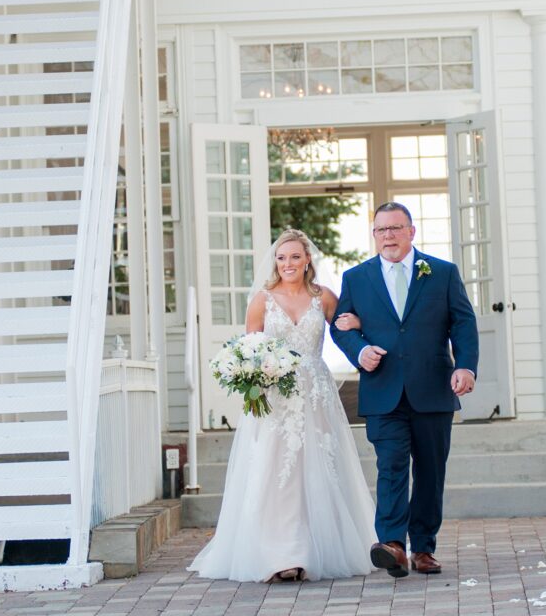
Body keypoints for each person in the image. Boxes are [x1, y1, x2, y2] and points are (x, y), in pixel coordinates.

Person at [188, 229, 377, 583]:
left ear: (307, 260)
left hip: (316, 394)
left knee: (318, 470)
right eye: (281, 257)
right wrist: (252, 383)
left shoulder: (325, 297)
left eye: (294, 257)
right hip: (275, 396)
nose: (287, 263)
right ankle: (280, 554)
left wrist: (359, 321)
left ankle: (314, 548)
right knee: (277, 474)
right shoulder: (263, 299)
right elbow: (250, 348)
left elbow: (345, 331)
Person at [331, 202, 479, 578]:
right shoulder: (357, 278)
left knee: (430, 472)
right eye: (381, 230)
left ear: (411, 232)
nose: (389, 236)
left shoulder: (442, 273)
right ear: (374, 234)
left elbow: (462, 321)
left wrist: (465, 365)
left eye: (396, 228)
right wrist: (360, 350)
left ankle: (424, 548)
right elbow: (340, 327)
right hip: (383, 391)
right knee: (392, 466)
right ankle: (393, 545)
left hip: (433, 388)